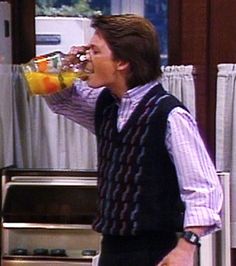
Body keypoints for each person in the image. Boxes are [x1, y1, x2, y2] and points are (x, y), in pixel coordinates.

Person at [44, 14, 223, 266]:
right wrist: (64, 67)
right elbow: (60, 100)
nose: (87, 57)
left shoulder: (169, 115)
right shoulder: (106, 105)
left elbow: (203, 188)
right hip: (112, 247)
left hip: (153, 251)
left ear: (123, 62)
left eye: (95, 51)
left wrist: (186, 247)